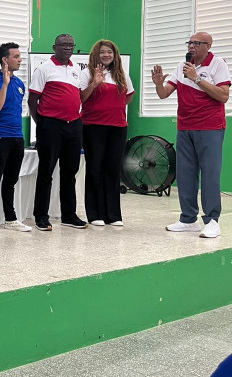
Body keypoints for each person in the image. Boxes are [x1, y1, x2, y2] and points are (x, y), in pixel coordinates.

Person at [151, 32, 230, 238]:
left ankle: (212, 220)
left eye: (196, 43)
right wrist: (159, 83)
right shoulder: (182, 66)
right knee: (186, 174)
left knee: (210, 175)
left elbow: (223, 96)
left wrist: (197, 79)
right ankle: (188, 219)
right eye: (190, 43)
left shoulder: (218, 64)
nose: (191, 46)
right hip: (185, 127)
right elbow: (164, 94)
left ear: (208, 45)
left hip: (210, 127)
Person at [28, 34, 87, 231]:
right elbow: (32, 100)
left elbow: (78, 96)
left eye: (71, 45)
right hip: (50, 126)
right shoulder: (44, 69)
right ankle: (41, 216)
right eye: (63, 45)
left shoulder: (76, 69)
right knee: (46, 172)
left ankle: (69, 215)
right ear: (54, 47)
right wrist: (42, 123)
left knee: (70, 173)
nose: (68, 48)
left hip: (74, 126)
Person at [79, 40, 134, 227]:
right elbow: (81, 98)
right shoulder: (87, 73)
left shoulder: (122, 74)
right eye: (102, 52)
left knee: (113, 169)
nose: (106, 55)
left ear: (115, 54)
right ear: (96, 54)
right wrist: (94, 84)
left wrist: (113, 108)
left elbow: (129, 95)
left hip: (118, 126)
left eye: (109, 52)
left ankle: (113, 215)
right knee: (95, 168)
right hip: (93, 126)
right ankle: (95, 214)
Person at [0, 42, 32, 233]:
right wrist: (5, 83)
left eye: (20, 56)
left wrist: (11, 82)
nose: (20, 60)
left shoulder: (19, 84)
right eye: (16, 57)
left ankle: (11, 218)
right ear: (5, 60)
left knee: (11, 180)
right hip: (1, 137)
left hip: (17, 137)